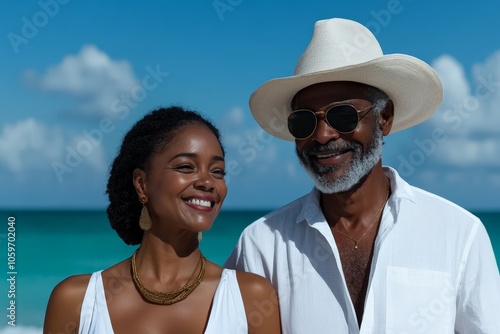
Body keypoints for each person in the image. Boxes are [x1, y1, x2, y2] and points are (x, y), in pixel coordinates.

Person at [224, 18, 500, 333]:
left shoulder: (459, 235)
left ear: (384, 118)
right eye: (304, 121)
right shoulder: (262, 244)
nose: (323, 135)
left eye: (343, 115)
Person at [44, 106, 281, 334]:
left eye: (217, 171)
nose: (208, 182)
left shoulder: (251, 299)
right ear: (141, 183)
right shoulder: (77, 301)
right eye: (186, 167)